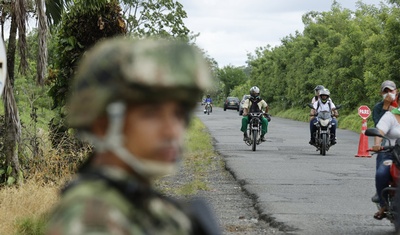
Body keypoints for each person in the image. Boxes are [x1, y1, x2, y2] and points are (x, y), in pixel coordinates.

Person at [45, 37, 221, 235]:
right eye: (151, 113)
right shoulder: (93, 219)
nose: (172, 131)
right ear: (104, 125)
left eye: (178, 114)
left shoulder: (137, 202)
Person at [371, 93, 400, 220]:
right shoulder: (390, 116)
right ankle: (383, 205)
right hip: (391, 153)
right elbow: (380, 132)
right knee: (381, 173)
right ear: (398, 101)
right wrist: (377, 144)